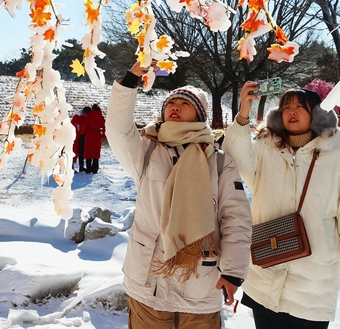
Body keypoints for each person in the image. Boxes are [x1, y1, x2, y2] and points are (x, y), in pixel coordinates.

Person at [106, 62, 252, 329]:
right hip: (149, 277)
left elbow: (236, 221)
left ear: (199, 115)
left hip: (200, 282)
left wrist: (232, 272)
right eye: (170, 102)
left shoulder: (219, 163)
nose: (174, 106)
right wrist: (131, 79)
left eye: (184, 104)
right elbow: (118, 130)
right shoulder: (147, 152)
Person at [223, 84, 340, 329]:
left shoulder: (338, 160)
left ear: (316, 114)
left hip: (313, 285)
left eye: (299, 107)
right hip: (266, 273)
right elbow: (235, 154)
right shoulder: (266, 149)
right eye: (286, 107)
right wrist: (243, 114)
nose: (292, 112)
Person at [82, 103, 106, 173]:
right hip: (97, 136)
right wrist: (103, 135)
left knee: (88, 152)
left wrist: (82, 133)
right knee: (96, 152)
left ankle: (88, 168)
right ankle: (95, 168)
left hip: (89, 136)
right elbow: (105, 126)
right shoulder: (101, 117)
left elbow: (84, 126)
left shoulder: (89, 116)